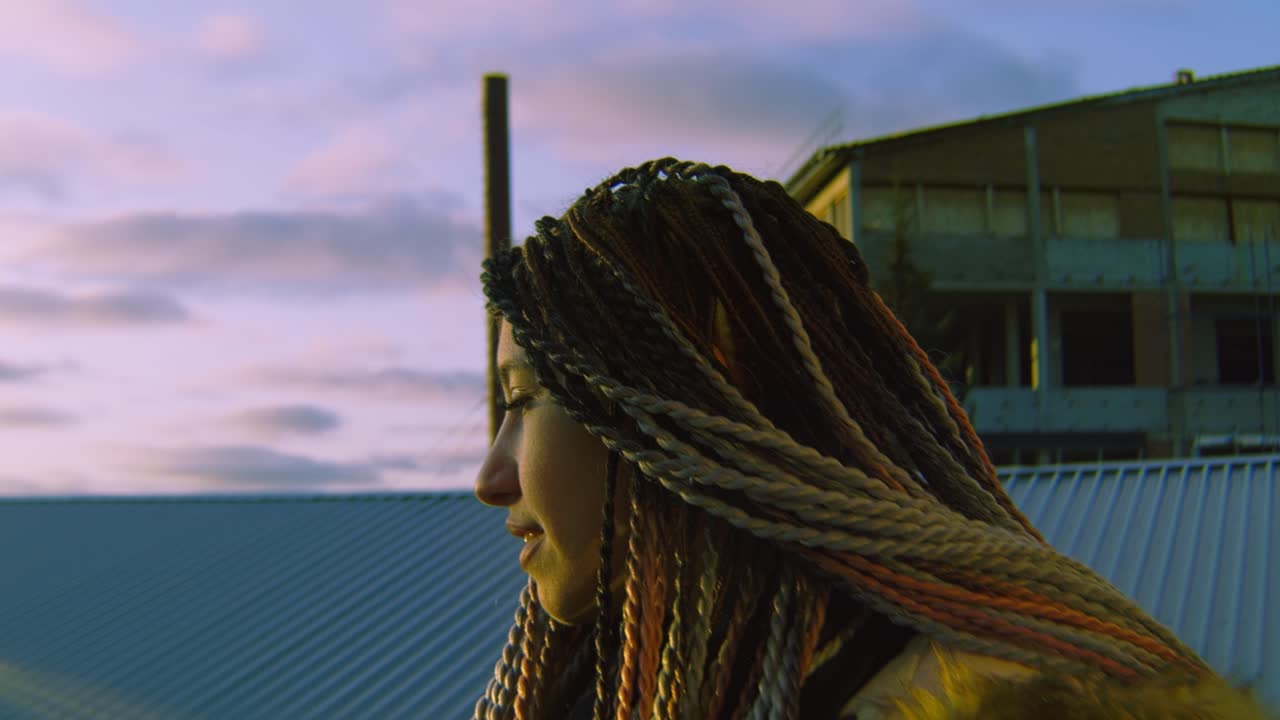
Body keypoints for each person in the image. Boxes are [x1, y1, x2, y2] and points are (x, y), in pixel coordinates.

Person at [472, 158, 1270, 719]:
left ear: (686, 416)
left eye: (522, 399)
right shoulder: (599, 682)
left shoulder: (980, 699)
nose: (490, 476)